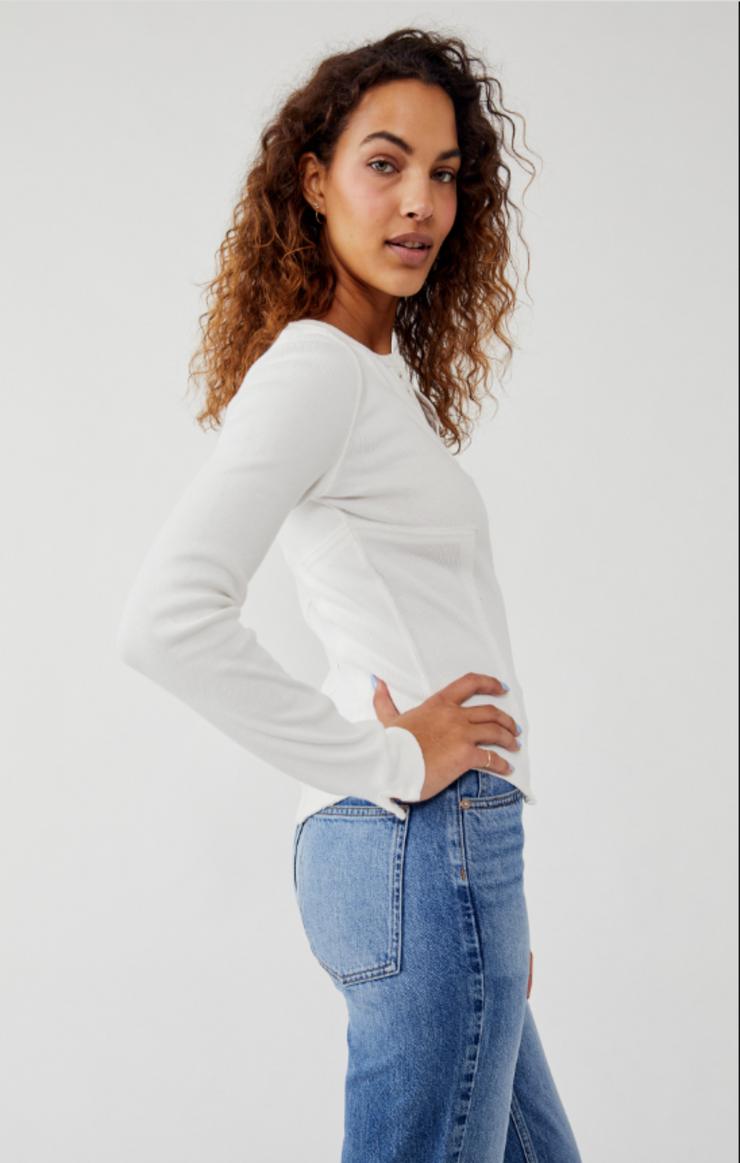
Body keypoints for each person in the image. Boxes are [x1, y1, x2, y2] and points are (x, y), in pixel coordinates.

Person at [117, 27, 582, 1163]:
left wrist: (483, 901)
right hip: (418, 834)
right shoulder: (319, 368)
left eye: (444, 173)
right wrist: (391, 761)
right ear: (315, 179)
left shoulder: (368, 372)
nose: (420, 201)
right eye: (385, 163)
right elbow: (167, 620)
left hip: (434, 851)